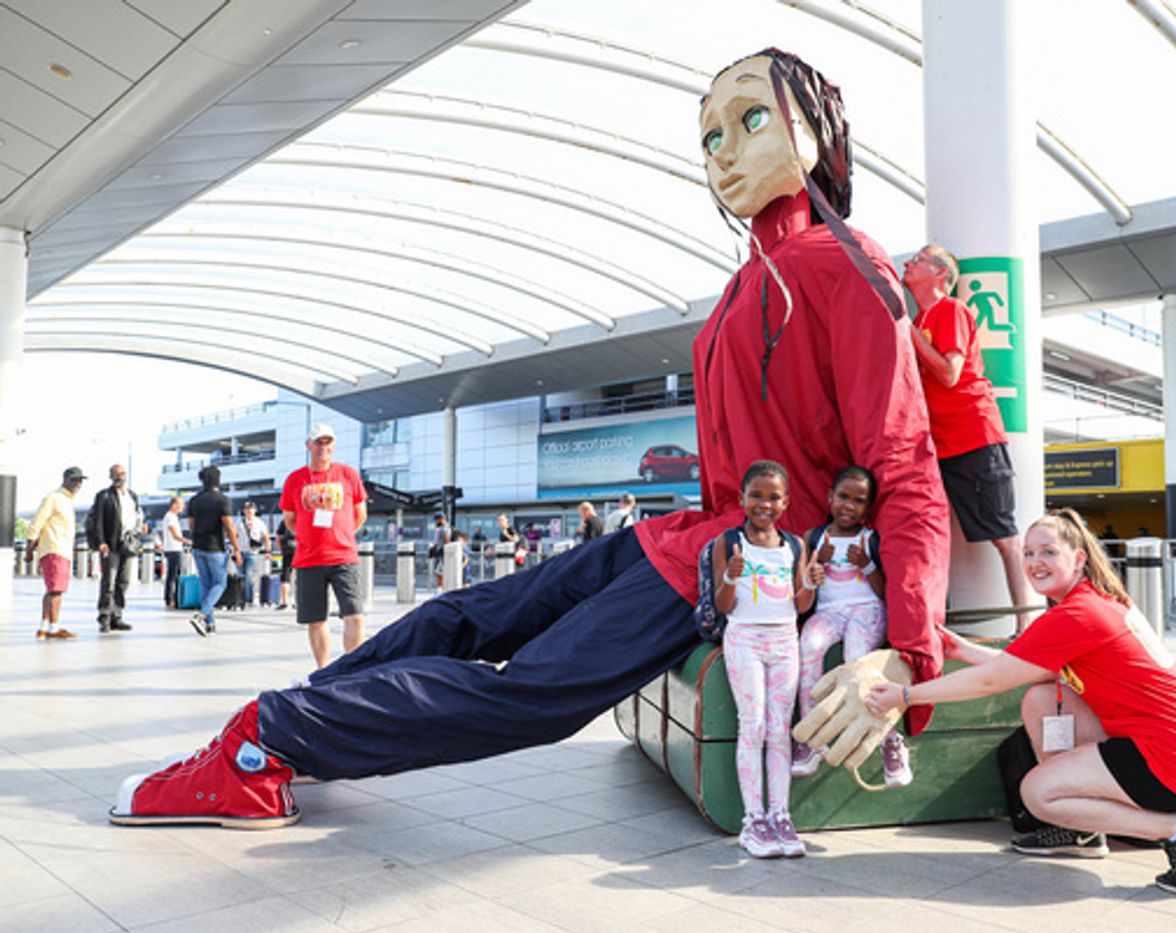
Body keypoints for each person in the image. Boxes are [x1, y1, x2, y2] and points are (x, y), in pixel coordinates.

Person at [110, 47, 948, 831]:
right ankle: (276, 729)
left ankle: (269, 737)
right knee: (468, 614)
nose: (723, 152)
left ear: (817, 129)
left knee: (533, 690)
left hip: (746, 563)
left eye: (751, 120)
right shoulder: (746, 284)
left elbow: (904, 464)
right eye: (710, 137)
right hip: (686, 538)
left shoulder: (845, 266)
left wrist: (908, 651)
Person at [866, 508, 1176, 896]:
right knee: (1040, 698)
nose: (1035, 562)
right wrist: (965, 649)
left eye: (1048, 552)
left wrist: (906, 696)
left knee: (1038, 793)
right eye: (1028, 553)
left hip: (1174, 757)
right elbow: (1027, 670)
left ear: (1079, 558)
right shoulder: (1099, 599)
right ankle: (1081, 832)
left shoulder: (1078, 614)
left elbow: (992, 681)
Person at [904, 244, 1034, 633]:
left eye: (921, 258)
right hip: (941, 444)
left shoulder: (951, 311)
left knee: (1005, 538)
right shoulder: (924, 317)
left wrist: (908, 332)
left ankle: (1026, 627)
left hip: (974, 435)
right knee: (936, 530)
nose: (909, 262)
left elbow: (949, 373)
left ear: (941, 274)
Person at [711, 461, 820, 858]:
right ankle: (752, 821)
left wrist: (810, 582)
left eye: (774, 497)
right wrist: (730, 577)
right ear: (742, 498)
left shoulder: (793, 545)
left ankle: (780, 816)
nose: (764, 504)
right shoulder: (729, 542)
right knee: (752, 725)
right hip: (744, 641)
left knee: (779, 729)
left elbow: (800, 603)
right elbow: (725, 606)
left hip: (785, 642)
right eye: (756, 495)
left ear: (785, 502)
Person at [790, 466, 908, 786]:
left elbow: (884, 591)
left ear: (868, 508)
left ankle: (889, 740)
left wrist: (865, 564)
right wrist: (814, 570)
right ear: (830, 497)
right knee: (810, 647)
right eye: (843, 497)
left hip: (866, 610)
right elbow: (802, 597)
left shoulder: (869, 538)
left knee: (857, 659)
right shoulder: (813, 538)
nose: (849, 506)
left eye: (859, 501)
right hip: (830, 612)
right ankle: (811, 738)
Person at [279, 424, 368, 669]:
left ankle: (352, 670)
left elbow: (360, 514)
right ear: (308, 445)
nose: (324, 447)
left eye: (328, 442)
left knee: (355, 616)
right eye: (318, 442)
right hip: (309, 559)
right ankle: (323, 670)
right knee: (316, 620)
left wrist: (342, 535)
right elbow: (290, 520)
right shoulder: (295, 479)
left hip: (344, 557)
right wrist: (310, 536)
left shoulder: (348, 474)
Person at [26, 466, 86, 640]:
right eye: (74, 480)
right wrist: (29, 548)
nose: (78, 484)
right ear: (65, 479)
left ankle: (44, 627)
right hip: (54, 549)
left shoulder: (68, 501)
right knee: (56, 590)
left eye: (80, 480)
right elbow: (37, 522)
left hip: (63, 550)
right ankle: (54, 628)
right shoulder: (54, 498)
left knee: (51, 590)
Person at [89, 463, 147, 634]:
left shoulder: (132, 496)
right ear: (110, 476)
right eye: (115, 474)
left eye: (121, 473)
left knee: (124, 582)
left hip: (128, 544)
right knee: (109, 582)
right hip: (110, 544)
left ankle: (117, 616)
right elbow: (97, 520)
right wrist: (101, 542)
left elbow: (138, 516)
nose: (118, 477)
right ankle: (104, 617)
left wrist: (142, 526)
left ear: (125, 475)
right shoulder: (104, 495)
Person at [186, 466, 242, 636]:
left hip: (198, 546)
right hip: (215, 547)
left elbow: (191, 525)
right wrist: (237, 549)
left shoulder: (194, 500)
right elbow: (229, 526)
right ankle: (202, 616)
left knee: (205, 584)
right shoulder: (222, 500)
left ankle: (210, 625)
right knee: (220, 583)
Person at [235, 501, 270, 607]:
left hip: (253, 553)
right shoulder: (239, 522)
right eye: (247, 509)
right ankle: (240, 599)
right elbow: (234, 536)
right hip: (240, 552)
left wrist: (268, 551)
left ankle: (249, 599)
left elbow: (266, 538)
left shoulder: (259, 523)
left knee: (250, 576)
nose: (249, 511)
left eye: (251, 509)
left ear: (255, 510)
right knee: (240, 577)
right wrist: (235, 551)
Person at [161, 496, 191, 609]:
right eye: (180, 505)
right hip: (173, 549)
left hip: (175, 548)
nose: (182, 507)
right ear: (174, 505)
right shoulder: (170, 517)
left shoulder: (173, 517)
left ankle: (175, 598)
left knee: (175, 575)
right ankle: (170, 599)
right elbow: (175, 535)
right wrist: (188, 541)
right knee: (172, 576)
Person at [275, 516, 296, 610]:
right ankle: (298, 602)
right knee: (300, 577)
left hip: (287, 550)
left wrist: (281, 548)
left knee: (285, 575)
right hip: (299, 550)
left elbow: (278, 537)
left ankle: (285, 602)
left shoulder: (285, 521)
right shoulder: (302, 519)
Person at [429, 512, 450, 593]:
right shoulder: (440, 528)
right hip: (440, 551)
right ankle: (440, 588)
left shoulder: (444, 528)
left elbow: (446, 539)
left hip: (442, 551)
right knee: (439, 570)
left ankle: (440, 589)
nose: (435, 521)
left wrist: (446, 549)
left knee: (440, 571)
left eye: (437, 519)